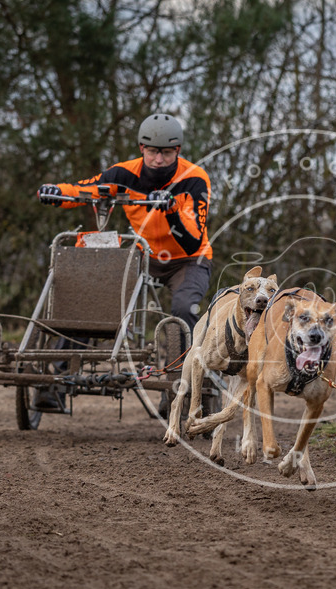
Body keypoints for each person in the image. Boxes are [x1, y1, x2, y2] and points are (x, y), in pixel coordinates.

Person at [34, 113, 212, 413]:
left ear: (177, 151)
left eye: (166, 152)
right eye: (153, 151)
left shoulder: (194, 179)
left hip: (188, 260)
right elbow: (85, 190)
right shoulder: (123, 174)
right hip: (142, 255)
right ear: (142, 148)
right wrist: (55, 192)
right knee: (93, 294)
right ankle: (60, 379)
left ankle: (180, 387)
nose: (159, 158)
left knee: (183, 308)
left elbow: (193, 239)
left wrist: (169, 211)